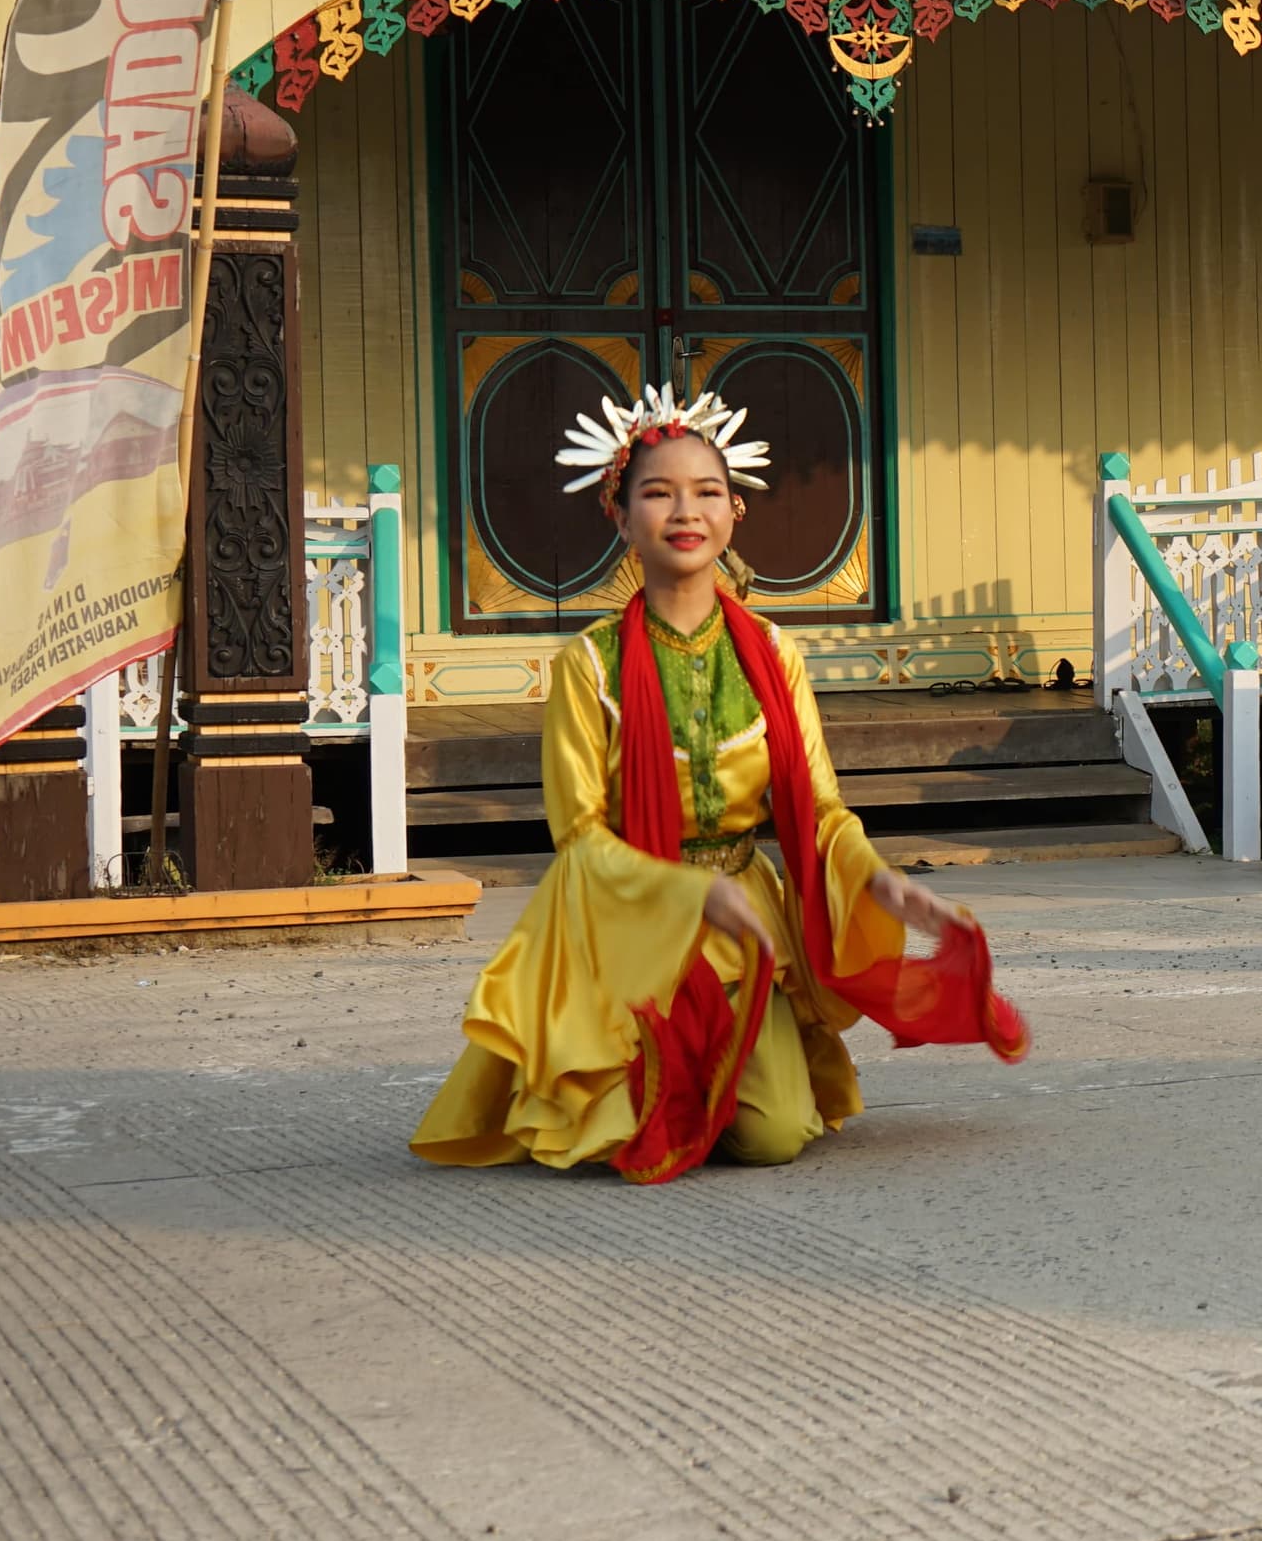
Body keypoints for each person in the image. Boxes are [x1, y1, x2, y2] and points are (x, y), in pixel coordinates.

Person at [411, 388, 1027, 1181]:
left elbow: (818, 806)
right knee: (617, 1135)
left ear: (736, 512)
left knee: (770, 1139)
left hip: (745, 916)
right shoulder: (588, 664)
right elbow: (579, 837)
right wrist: (688, 894)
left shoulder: (773, 653)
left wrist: (879, 882)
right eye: (657, 493)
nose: (684, 510)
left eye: (706, 492)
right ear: (622, 518)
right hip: (628, 917)